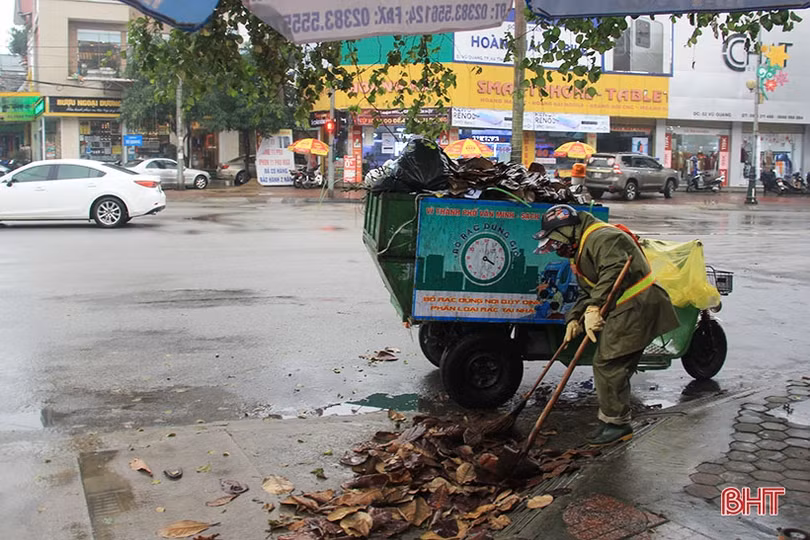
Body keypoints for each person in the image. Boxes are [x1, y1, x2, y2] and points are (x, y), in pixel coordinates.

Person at [533, 205, 679, 446]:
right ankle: (612, 421)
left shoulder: (603, 238)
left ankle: (616, 425)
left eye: (557, 241)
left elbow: (612, 273)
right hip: (624, 307)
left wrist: (594, 307)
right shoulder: (581, 249)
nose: (556, 247)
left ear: (569, 230)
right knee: (614, 364)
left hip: (637, 304)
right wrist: (574, 318)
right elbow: (588, 289)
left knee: (609, 363)